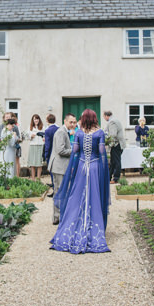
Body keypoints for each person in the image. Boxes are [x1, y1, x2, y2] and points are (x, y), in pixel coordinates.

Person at [50, 109, 110, 254]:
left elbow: (75, 151)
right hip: (95, 167)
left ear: (83, 119)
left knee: (76, 196)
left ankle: (74, 225)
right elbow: (102, 153)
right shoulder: (99, 133)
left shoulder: (79, 133)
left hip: (82, 167)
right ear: (94, 118)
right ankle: (93, 227)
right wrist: (104, 172)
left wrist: (74, 168)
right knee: (94, 196)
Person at [48, 113, 75, 224]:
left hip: (61, 166)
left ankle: (59, 216)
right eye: (71, 122)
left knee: (61, 191)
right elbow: (60, 150)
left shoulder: (65, 132)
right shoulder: (60, 132)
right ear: (65, 121)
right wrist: (74, 150)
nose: (73, 124)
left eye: (74, 122)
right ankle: (57, 217)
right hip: (59, 167)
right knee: (59, 191)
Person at [104, 110, 126, 184]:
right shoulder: (115, 120)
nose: (104, 118)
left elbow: (113, 135)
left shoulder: (112, 122)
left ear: (106, 116)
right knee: (113, 162)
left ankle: (116, 178)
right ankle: (109, 177)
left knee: (116, 162)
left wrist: (108, 144)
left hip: (116, 144)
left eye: (104, 117)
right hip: (117, 144)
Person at [43, 114, 59, 194]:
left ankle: (54, 191)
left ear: (47, 120)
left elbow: (48, 145)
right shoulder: (58, 129)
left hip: (51, 154)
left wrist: (46, 155)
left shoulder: (47, 130)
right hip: (58, 153)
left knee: (52, 173)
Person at [27, 114, 45, 180]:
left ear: (39, 120)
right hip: (32, 146)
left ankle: (38, 179)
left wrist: (43, 138)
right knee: (33, 163)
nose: (36, 120)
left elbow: (45, 135)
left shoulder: (42, 127)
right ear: (33, 120)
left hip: (40, 146)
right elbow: (27, 136)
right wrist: (31, 136)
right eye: (35, 119)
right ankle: (33, 179)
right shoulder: (30, 127)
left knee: (39, 163)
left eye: (37, 119)